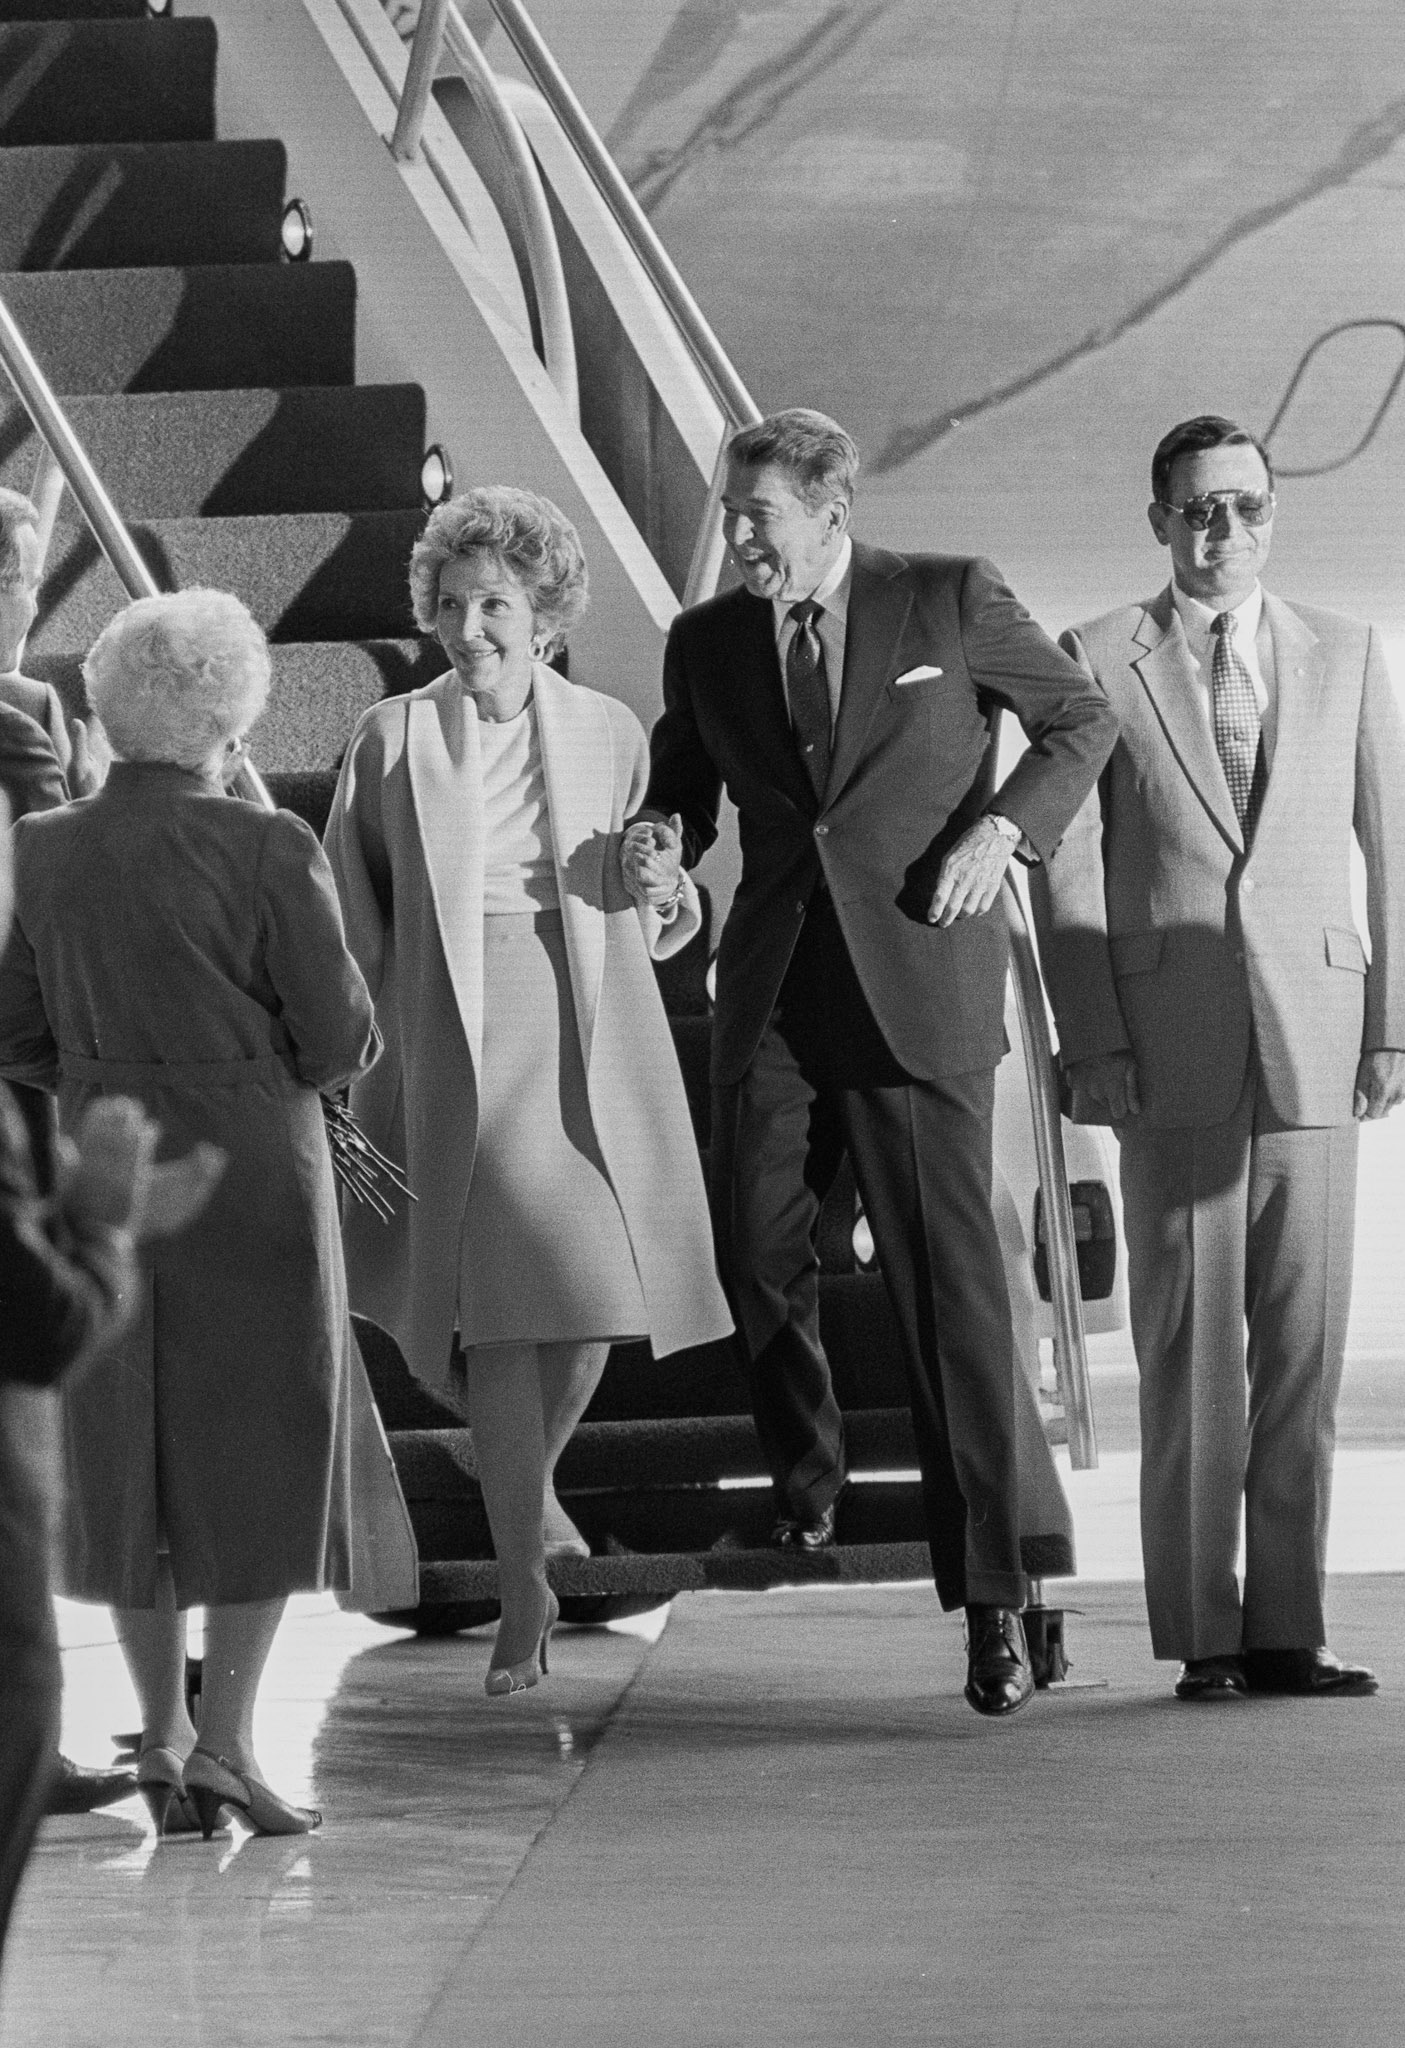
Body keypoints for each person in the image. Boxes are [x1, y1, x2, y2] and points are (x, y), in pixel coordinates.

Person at [636, 408, 1117, 1716]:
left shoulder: (948, 599)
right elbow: (682, 791)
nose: (738, 539)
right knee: (752, 1247)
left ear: (831, 507)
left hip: (918, 984)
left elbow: (1079, 719)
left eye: (758, 518)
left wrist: (1003, 833)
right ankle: (810, 1484)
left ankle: (997, 1605)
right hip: (776, 993)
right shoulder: (708, 640)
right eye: (730, 516)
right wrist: (658, 842)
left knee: (948, 1301)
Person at [325, 486, 732, 1696]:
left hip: (591, 1027)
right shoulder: (390, 735)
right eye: (451, 603)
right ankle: (521, 1584)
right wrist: (349, 1061)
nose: (470, 627)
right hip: (456, 1035)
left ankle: (528, 1493)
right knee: (502, 1319)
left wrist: (666, 886)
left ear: (545, 614)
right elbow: (349, 912)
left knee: (594, 1303)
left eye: (495, 603)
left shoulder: (609, 730)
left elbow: (656, 904)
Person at [1031, 414, 1405, 1701]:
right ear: (1159, 522)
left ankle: (1290, 1626)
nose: (1222, 531)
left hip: (1318, 1039)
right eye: (1196, 509)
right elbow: (1069, 865)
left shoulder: (1347, 650)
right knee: (1191, 1359)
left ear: (1270, 514)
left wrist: (1392, 1021)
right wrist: (1091, 1040)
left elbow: (1390, 847)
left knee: (1302, 1354)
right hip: (1163, 1047)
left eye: (1243, 506)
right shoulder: (1095, 657)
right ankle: (1205, 1632)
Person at [0, 587, 381, 1835]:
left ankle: (160, 1733)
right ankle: (227, 1744)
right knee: (261, 1451)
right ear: (232, 719)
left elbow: (13, 1029)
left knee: (129, 1461)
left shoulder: (44, 844)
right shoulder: (271, 845)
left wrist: (102, 1073)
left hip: (109, 1161)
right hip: (253, 1169)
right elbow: (338, 1038)